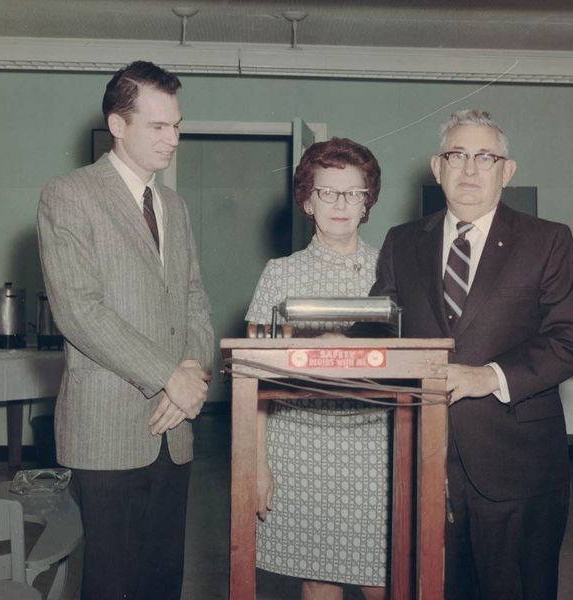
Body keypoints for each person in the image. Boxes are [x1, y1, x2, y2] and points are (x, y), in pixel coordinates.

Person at [363, 110, 573, 599]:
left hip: (519, 468)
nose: (469, 170)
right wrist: (346, 342)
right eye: (457, 156)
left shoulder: (547, 240)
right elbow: (382, 331)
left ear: (507, 171)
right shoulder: (403, 243)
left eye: (484, 157)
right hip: (428, 462)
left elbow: (571, 340)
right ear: (436, 167)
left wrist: (489, 376)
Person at [37, 60, 213, 600]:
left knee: (163, 579)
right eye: (158, 127)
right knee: (110, 583)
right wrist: (167, 375)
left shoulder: (175, 207)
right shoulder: (68, 195)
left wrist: (193, 378)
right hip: (106, 431)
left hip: (174, 429)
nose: (173, 139)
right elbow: (79, 310)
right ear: (118, 124)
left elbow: (194, 302)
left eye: (177, 125)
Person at [245, 137, 388, 600]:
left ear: (368, 202)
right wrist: (258, 464)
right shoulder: (279, 274)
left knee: (383, 578)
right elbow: (256, 380)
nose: (341, 203)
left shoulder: (391, 270)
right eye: (328, 191)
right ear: (308, 200)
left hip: (376, 448)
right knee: (317, 578)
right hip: (300, 447)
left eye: (354, 192)